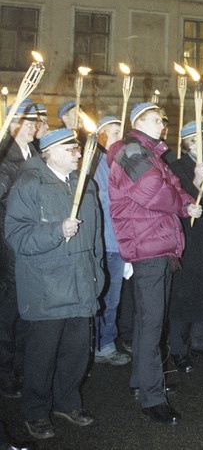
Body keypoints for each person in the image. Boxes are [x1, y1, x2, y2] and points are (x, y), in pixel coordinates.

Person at [4, 128, 104, 442]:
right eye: (70, 148)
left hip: (80, 283)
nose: (78, 153)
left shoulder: (84, 184)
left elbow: (96, 237)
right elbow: (17, 237)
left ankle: (67, 402)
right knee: (41, 356)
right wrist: (56, 231)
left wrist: (98, 273)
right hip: (45, 287)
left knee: (75, 352)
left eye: (77, 147)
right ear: (49, 153)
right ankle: (35, 411)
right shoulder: (29, 184)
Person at [108, 102, 203, 425]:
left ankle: (142, 381)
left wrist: (188, 203)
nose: (162, 125)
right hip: (146, 245)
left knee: (151, 320)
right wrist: (181, 207)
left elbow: (172, 184)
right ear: (138, 122)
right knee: (150, 323)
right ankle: (152, 398)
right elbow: (153, 192)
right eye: (155, 120)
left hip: (159, 243)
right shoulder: (129, 151)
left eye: (163, 120)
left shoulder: (151, 154)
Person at [166, 122, 203, 371]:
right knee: (185, 296)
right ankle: (177, 347)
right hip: (189, 242)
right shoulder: (176, 168)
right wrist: (196, 182)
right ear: (190, 143)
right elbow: (176, 202)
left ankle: (201, 341)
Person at [0, 100, 38, 400]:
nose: (33, 124)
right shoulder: (5, 157)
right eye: (26, 120)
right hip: (10, 244)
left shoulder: (35, 155)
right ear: (11, 125)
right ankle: (5, 372)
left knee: (28, 310)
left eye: (35, 120)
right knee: (9, 312)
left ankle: (24, 366)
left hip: (33, 243)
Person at [90, 116, 130, 366]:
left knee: (113, 299)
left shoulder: (123, 163)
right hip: (101, 243)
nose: (119, 137)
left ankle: (106, 343)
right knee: (98, 297)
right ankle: (92, 344)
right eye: (114, 132)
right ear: (101, 135)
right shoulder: (94, 163)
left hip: (119, 243)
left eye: (120, 132)